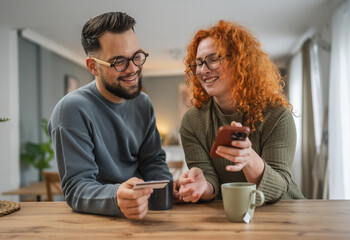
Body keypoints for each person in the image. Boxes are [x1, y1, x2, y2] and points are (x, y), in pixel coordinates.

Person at [48, 12, 173, 220]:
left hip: (145, 215)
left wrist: (167, 188)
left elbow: (153, 162)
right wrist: (116, 197)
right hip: (96, 221)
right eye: (119, 62)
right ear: (93, 66)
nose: (133, 69)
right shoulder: (70, 110)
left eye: (136, 56)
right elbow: (76, 188)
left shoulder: (143, 103)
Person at [178, 20, 304, 203]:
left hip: (284, 212)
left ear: (239, 62)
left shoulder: (277, 116)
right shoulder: (192, 121)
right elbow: (210, 180)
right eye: (198, 63)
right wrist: (202, 185)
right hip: (231, 214)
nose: (203, 70)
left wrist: (249, 159)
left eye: (213, 59)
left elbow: (279, 188)